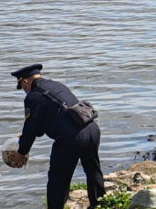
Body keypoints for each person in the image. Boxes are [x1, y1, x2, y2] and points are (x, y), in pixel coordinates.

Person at [9, 64, 105, 209]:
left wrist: (21, 151)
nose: (24, 91)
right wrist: (29, 135)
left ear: (25, 82)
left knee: (58, 179)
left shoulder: (34, 96)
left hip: (72, 138)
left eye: (22, 87)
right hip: (91, 129)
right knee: (93, 169)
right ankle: (100, 204)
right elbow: (48, 120)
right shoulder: (55, 85)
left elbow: (31, 125)